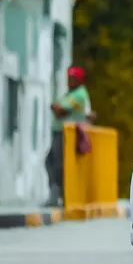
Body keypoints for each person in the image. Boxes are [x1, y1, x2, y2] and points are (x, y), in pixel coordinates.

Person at [45, 66, 91, 206]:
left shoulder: (79, 93)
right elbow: (55, 107)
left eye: (73, 78)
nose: (70, 80)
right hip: (60, 132)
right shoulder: (69, 94)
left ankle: (59, 195)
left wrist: (56, 107)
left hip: (67, 134)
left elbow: (61, 110)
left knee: (58, 164)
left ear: (79, 79)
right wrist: (55, 107)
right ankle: (56, 192)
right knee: (50, 162)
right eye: (69, 77)